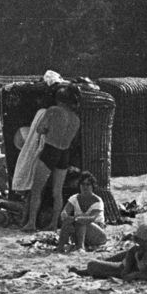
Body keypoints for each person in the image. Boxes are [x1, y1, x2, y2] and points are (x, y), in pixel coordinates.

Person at [30, 87, 83, 233]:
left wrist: (49, 131)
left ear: (59, 100)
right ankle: (54, 224)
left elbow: (39, 129)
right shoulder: (76, 119)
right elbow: (74, 140)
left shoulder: (53, 110)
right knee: (57, 192)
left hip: (50, 149)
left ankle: (31, 223)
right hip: (64, 153)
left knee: (36, 189)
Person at [72, 220, 147, 281]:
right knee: (108, 260)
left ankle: (87, 271)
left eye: (140, 241)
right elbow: (132, 251)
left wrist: (135, 274)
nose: (138, 243)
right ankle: (87, 270)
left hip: (133, 268)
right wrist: (128, 267)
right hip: (131, 265)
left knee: (92, 265)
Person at [8, 112, 51, 227]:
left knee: (30, 195)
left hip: (31, 158)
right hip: (36, 160)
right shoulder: (38, 134)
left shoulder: (29, 132)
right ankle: (28, 221)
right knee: (34, 194)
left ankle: (25, 221)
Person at [56, 171, 107, 252]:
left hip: (96, 235)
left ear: (92, 186)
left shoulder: (97, 201)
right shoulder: (74, 198)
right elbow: (65, 212)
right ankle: (60, 247)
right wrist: (66, 217)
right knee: (67, 221)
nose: (85, 187)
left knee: (80, 221)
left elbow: (91, 218)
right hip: (79, 232)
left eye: (88, 184)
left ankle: (81, 247)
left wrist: (74, 218)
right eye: (83, 184)